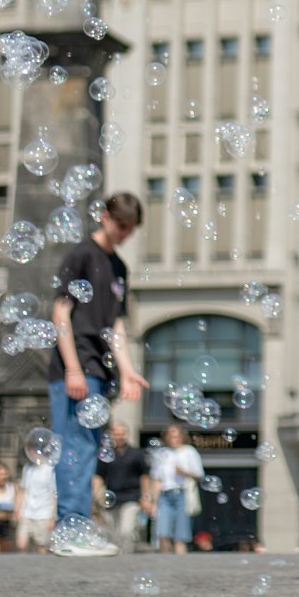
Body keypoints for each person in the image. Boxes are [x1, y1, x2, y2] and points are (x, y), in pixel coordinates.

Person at [47, 191, 148, 556]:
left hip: (99, 370)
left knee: (88, 448)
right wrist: (73, 368)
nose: (124, 233)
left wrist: (128, 370)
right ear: (105, 217)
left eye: (131, 229)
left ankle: (77, 526)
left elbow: (116, 325)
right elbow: (61, 314)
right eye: (121, 225)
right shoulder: (81, 255)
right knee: (74, 447)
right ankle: (67, 529)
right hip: (76, 366)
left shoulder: (119, 267)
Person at [95, 421, 151, 553]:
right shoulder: (106, 454)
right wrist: (96, 495)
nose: (119, 436)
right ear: (111, 435)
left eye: (121, 434)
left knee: (127, 529)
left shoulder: (137, 453)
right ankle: (116, 559)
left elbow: (145, 477)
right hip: (111, 498)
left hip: (131, 497)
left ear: (126, 434)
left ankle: (126, 556)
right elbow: (99, 477)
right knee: (113, 533)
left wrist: (146, 497)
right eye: (116, 434)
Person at [150, 423, 204, 554]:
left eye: (177, 436)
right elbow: (156, 478)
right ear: (166, 438)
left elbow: (199, 475)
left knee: (181, 534)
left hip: (182, 493)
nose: (174, 439)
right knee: (162, 531)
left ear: (182, 437)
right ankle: (165, 562)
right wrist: (153, 501)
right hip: (164, 494)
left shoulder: (189, 451)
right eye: (171, 436)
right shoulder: (162, 453)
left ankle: (180, 565)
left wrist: (184, 472)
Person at [15, 454, 56, 552]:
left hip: (44, 514)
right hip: (26, 512)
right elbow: (23, 490)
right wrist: (17, 509)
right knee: (21, 544)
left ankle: (40, 567)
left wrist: (52, 518)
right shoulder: (27, 468)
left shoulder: (49, 469)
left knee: (41, 546)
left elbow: (54, 495)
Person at [0, 462, 17, 554]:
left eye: (4, 474)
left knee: (5, 549)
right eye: (0, 474)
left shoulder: (12, 487)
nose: (3, 476)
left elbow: (17, 504)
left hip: (7, 522)